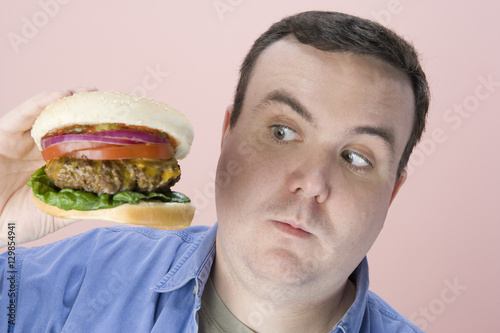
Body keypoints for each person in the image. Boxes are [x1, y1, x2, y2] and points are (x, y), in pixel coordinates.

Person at [0, 11, 429, 333]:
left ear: (391, 192)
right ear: (228, 135)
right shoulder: (78, 278)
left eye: (356, 157)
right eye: (282, 131)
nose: (313, 182)